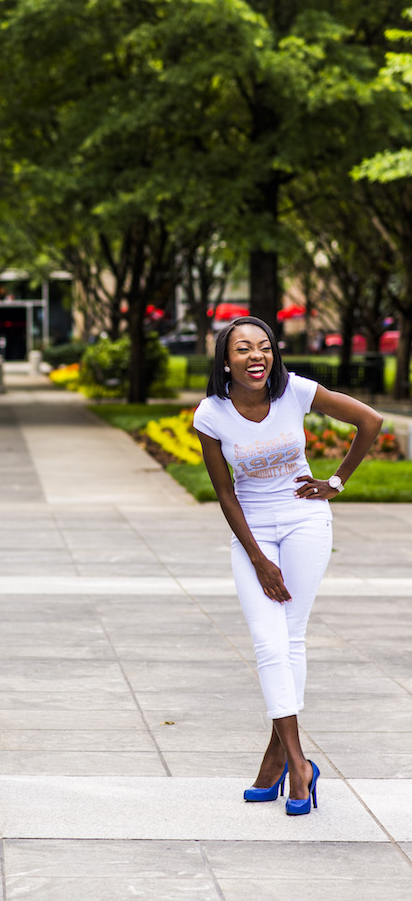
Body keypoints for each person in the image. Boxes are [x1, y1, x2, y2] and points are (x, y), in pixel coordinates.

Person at [193, 316, 382, 816]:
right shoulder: (210, 415)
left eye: (264, 347)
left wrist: (335, 483)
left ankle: (278, 757)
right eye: (243, 349)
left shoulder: (295, 392)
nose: (256, 356)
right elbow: (224, 492)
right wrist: (257, 558)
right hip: (253, 529)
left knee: (289, 639)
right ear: (225, 360)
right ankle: (299, 763)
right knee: (268, 641)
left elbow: (371, 422)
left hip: (305, 522)